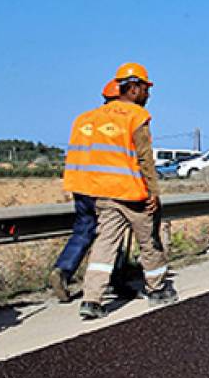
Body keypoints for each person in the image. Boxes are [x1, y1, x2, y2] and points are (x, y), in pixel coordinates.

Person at [66, 63, 177, 320]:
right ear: (135, 88)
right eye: (147, 89)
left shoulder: (89, 118)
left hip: (101, 194)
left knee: (105, 244)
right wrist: (153, 193)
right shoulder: (136, 117)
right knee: (150, 241)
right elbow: (144, 158)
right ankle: (157, 289)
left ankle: (92, 299)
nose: (148, 95)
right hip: (132, 193)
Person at [48, 79, 122, 302]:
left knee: (84, 228)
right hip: (106, 185)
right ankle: (114, 279)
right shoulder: (120, 120)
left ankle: (63, 270)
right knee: (113, 231)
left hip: (80, 184)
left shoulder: (83, 119)